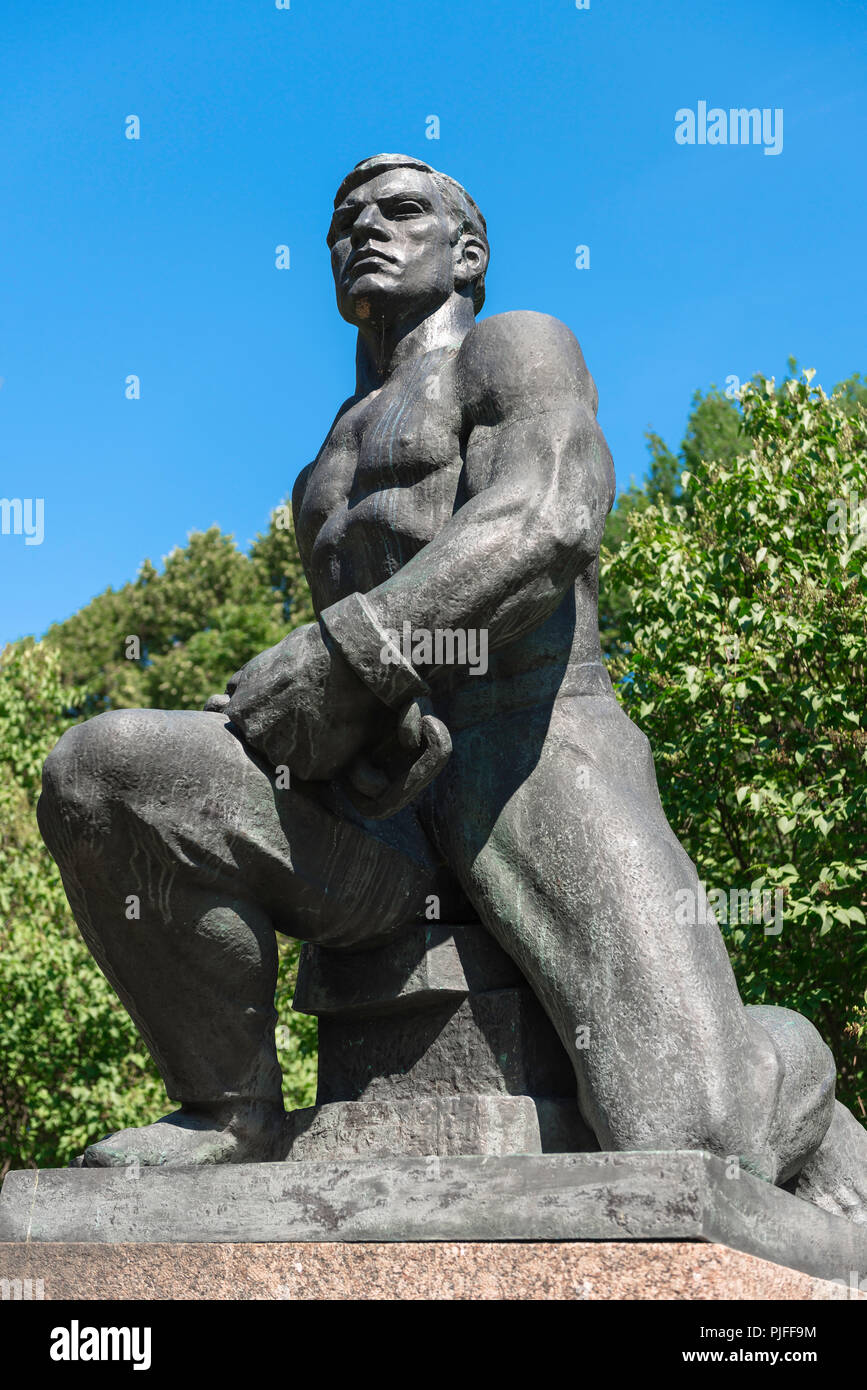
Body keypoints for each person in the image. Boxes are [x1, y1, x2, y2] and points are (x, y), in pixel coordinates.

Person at [38, 154, 867, 1221]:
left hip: (532, 752)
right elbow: (340, 680)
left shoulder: (514, 349)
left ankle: (785, 1059)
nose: (365, 230)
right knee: (107, 772)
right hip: (377, 808)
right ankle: (228, 1109)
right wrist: (279, 713)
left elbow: (553, 513)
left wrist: (347, 653)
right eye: (345, 221)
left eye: (400, 211)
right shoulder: (323, 463)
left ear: (465, 251)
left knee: (703, 1137)